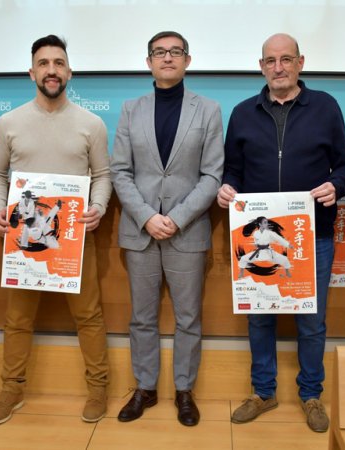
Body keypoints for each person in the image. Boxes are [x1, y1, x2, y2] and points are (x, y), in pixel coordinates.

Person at [217, 33, 345, 433]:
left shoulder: (325, 107)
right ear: (261, 66)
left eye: (286, 59)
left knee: (311, 322)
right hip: (255, 237)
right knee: (260, 318)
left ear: (300, 63)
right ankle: (263, 392)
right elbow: (233, 169)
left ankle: (311, 394)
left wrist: (337, 185)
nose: (278, 67)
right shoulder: (243, 113)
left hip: (313, 236)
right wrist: (227, 187)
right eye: (271, 61)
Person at [0, 35, 111, 425]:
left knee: (88, 316)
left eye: (58, 63)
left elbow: (103, 176)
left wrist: (98, 207)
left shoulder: (91, 124)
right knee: (17, 319)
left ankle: (98, 388)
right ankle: (11, 390)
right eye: (43, 63)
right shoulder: (8, 123)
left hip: (74, 236)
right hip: (23, 240)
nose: (51, 70)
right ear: (31, 72)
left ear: (69, 72)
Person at [110, 30, 224, 427]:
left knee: (188, 317)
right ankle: (145, 388)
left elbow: (212, 176)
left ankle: (184, 391)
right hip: (140, 231)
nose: (168, 58)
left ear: (187, 60)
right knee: (141, 317)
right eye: (160, 52)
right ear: (149, 62)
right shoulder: (131, 110)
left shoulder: (208, 110)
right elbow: (120, 172)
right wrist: (146, 216)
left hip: (186, 231)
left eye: (176, 52)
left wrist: (176, 217)